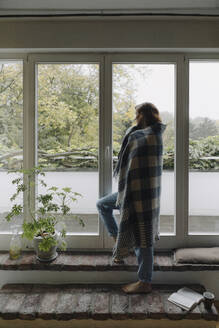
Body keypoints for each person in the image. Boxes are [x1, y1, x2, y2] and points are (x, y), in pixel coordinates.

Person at [96, 102, 166, 294]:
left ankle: (145, 282)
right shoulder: (139, 133)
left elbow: (139, 159)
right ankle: (119, 241)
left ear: (143, 114)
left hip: (145, 193)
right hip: (129, 190)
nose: (136, 117)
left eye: (137, 114)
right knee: (103, 205)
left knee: (144, 237)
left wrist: (133, 133)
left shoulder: (152, 136)